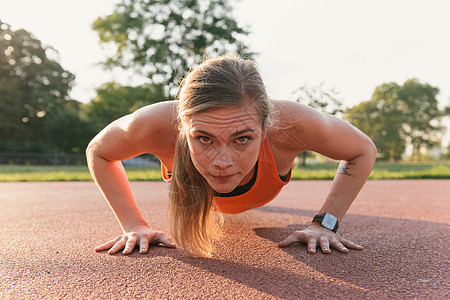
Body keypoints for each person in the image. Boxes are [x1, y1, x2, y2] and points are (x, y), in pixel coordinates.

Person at [87, 55, 377, 258]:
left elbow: (362, 150)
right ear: (181, 128)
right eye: (204, 138)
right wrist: (134, 225)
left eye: (242, 139)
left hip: (264, 191)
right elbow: (98, 152)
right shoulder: (154, 124)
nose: (222, 162)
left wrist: (325, 224)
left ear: (265, 129)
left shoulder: (292, 124)